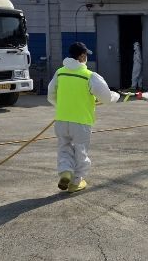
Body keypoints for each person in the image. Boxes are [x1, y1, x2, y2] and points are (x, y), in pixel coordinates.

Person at [47, 42, 119, 193]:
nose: (86, 58)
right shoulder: (89, 76)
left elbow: (51, 94)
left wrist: (63, 106)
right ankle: (76, 182)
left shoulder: (60, 73)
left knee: (64, 147)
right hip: (81, 122)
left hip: (61, 120)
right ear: (81, 56)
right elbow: (106, 97)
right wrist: (116, 96)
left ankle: (65, 172)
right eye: (85, 55)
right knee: (80, 151)